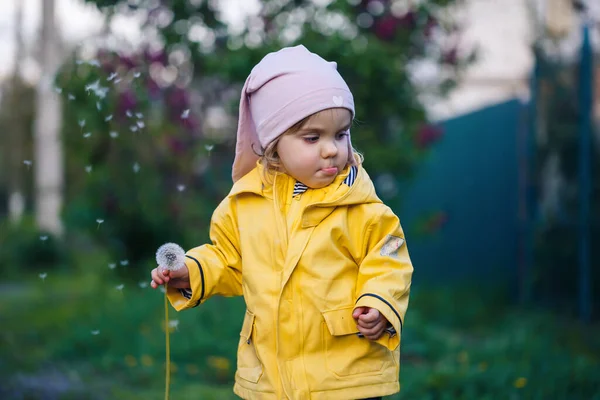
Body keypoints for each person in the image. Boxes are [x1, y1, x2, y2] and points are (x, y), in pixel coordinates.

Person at [151, 45, 413, 400]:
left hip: (345, 378)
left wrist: (380, 303)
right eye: (312, 137)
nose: (331, 149)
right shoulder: (244, 204)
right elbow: (228, 260)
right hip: (270, 379)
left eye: (340, 134)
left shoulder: (361, 206)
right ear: (273, 143)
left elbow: (389, 259)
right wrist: (192, 273)